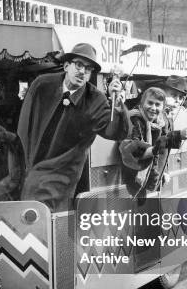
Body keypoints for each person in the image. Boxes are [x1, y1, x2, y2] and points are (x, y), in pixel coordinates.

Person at [17, 42, 126, 211]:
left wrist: (117, 104)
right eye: (79, 65)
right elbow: (25, 124)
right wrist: (24, 163)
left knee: (47, 218)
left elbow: (113, 131)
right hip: (31, 165)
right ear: (66, 66)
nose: (82, 71)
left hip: (64, 173)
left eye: (88, 69)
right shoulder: (42, 85)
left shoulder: (95, 99)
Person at [119, 87, 187, 197]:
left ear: (163, 107)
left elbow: (162, 150)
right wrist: (177, 135)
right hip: (134, 181)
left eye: (158, 104)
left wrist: (163, 171)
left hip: (151, 179)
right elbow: (134, 151)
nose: (153, 108)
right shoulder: (133, 118)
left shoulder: (161, 121)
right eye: (150, 103)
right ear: (142, 102)